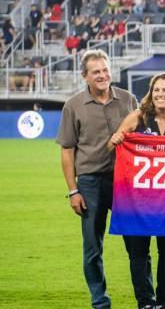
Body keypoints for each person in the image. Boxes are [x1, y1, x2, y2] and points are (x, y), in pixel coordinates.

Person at [57, 50, 140, 309]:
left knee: (137, 242)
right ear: (85, 76)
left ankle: (147, 300)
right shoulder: (73, 105)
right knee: (93, 246)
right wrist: (73, 191)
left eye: (105, 70)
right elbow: (67, 151)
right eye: (96, 72)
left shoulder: (128, 100)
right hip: (90, 182)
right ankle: (100, 302)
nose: (103, 75)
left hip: (124, 182)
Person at [105, 73, 165, 309]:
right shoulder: (138, 117)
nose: (160, 95)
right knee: (138, 252)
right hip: (136, 199)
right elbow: (111, 146)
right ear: (150, 93)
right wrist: (117, 138)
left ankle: (163, 301)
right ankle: (145, 302)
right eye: (156, 90)